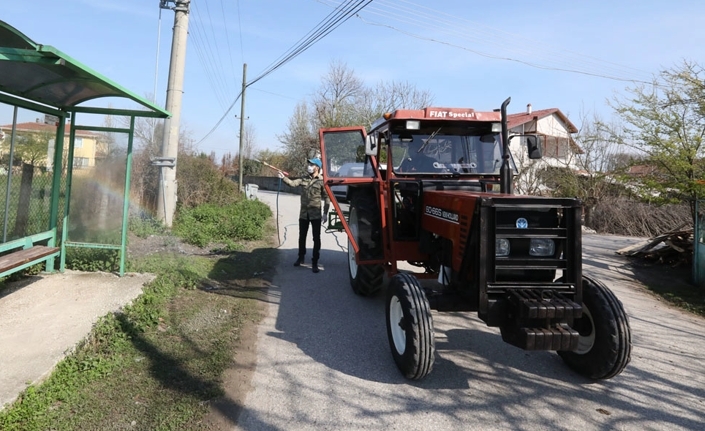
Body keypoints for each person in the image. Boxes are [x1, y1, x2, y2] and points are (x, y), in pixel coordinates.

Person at [279, 158, 330, 273]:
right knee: (302, 237)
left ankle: (315, 262)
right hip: (304, 214)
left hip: (315, 215)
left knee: (316, 238)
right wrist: (283, 178)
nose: (309, 166)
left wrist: (325, 213)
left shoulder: (321, 181)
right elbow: (292, 184)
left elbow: (327, 198)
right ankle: (300, 257)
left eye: (312, 165)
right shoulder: (303, 179)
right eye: (309, 164)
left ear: (317, 167)